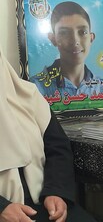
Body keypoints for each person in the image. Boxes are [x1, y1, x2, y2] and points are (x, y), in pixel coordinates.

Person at [0, 47, 97, 222]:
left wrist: (56, 192)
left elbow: (58, 148)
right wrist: (2, 208)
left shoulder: (28, 96)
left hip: (42, 202)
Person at [30, 1, 103, 100]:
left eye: (82, 32)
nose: (75, 41)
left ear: (91, 38)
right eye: (64, 33)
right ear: (53, 39)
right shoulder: (35, 87)